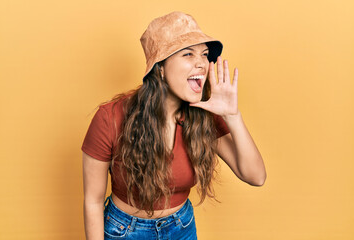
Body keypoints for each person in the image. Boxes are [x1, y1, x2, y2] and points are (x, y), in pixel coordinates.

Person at [82, 11, 266, 240]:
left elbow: (255, 176)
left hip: (181, 228)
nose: (201, 63)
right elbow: (93, 201)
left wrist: (233, 115)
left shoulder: (204, 115)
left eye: (204, 55)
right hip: (125, 231)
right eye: (188, 54)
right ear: (159, 68)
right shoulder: (110, 117)